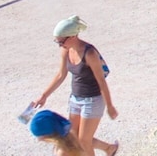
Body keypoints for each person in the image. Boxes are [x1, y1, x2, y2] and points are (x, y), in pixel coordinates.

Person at [34, 16, 118, 155]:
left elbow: (101, 81)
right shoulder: (66, 50)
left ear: (73, 36)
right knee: (73, 138)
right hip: (75, 99)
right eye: (57, 41)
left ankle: (109, 149)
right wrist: (43, 96)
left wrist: (110, 106)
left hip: (93, 100)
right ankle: (109, 148)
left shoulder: (89, 53)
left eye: (61, 41)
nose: (60, 45)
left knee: (84, 141)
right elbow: (61, 75)